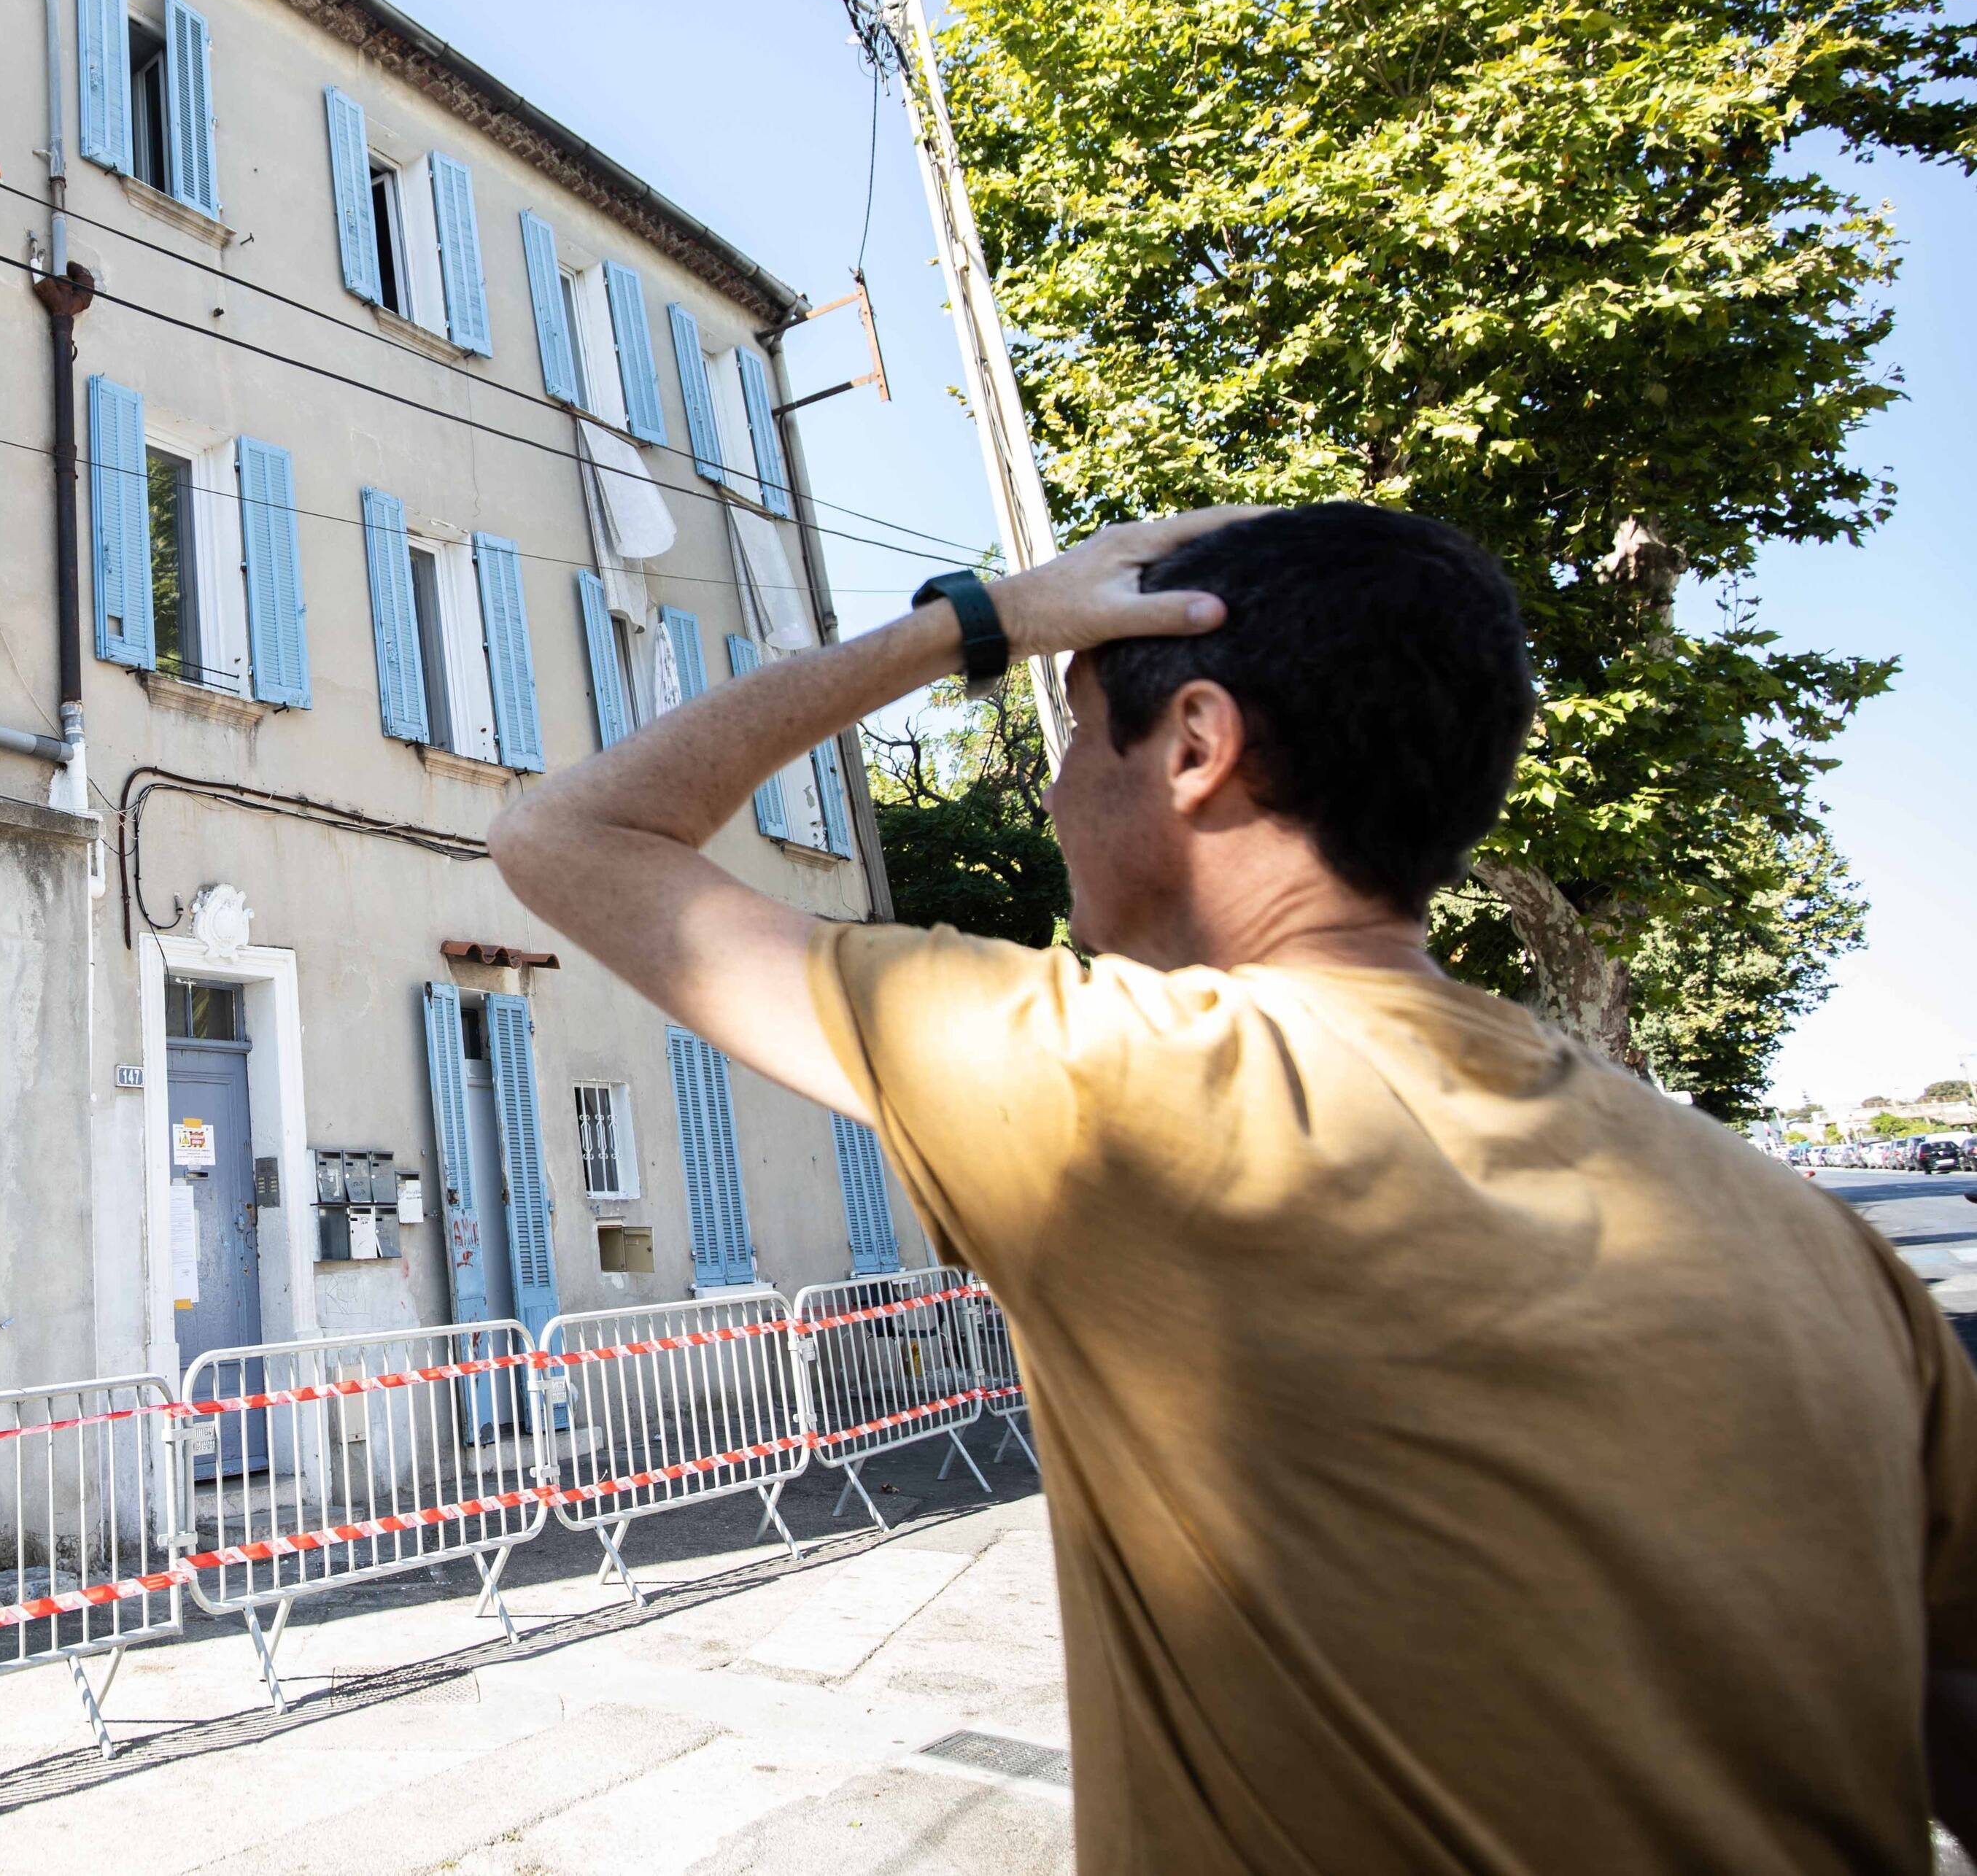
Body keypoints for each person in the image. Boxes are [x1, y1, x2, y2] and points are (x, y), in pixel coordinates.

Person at [489, 501, 1977, 1873]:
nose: (1056, 798)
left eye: (1074, 742)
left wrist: (978, 618)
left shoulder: (1104, 1085)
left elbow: (569, 833)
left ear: (1194, 741)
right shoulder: (1816, 1244)